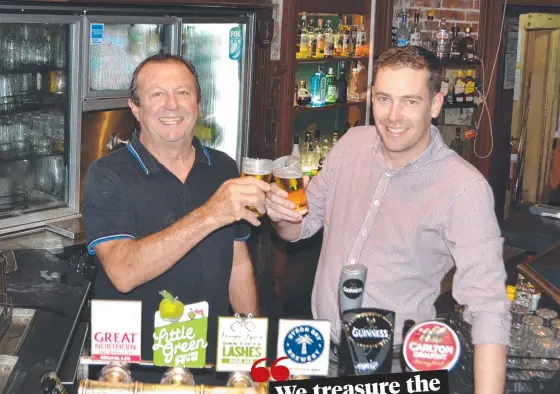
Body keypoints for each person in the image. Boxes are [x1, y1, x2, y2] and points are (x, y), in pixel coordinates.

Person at [266, 46, 510, 393]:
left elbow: (487, 308)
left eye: (410, 101)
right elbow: (302, 226)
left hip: (395, 366)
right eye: (384, 99)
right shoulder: (352, 144)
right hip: (318, 349)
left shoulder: (464, 188)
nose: (393, 115)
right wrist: (283, 216)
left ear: (436, 104)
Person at [82, 53, 270, 384]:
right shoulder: (107, 175)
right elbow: (124, 272)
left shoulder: (223, 169)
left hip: (207, 366)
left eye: (183, 93)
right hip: (131, 371)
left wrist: (251, 354)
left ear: (198, 103)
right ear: (136, 109)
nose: (172, 105)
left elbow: (238, 265)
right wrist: (212, 213)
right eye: (157, 94)